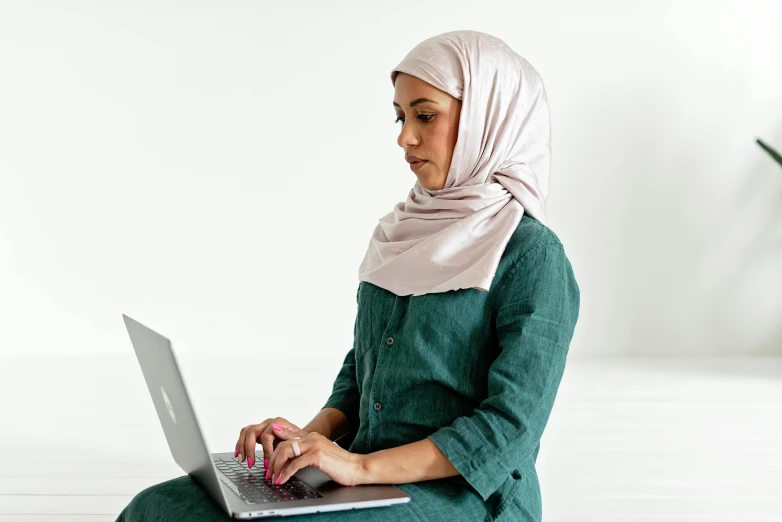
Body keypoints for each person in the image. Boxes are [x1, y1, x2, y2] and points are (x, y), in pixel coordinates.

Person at [116, 29, 580, 522]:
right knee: (158, 508)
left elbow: (507, 430)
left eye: (425, 115)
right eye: (401, 117)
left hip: (462, 495)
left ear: (490, 118)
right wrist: (302, 440)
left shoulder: (532, 256)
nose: (405, 136)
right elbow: (363, 372)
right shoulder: (403, 232)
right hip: (358, 471)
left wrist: (359, 467)